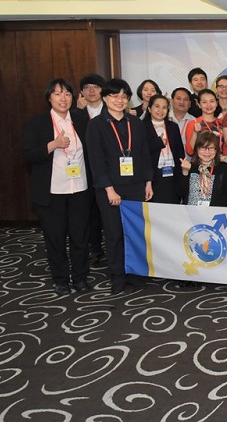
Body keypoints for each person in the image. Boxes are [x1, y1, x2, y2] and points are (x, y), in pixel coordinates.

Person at [23, 78, 93, 295]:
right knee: (55, 237)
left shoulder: (82, 120)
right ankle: (61, 279)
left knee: (80, 236)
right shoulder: (37, 123)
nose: (63, 98)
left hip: (80, 189)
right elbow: (28, 154)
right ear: (49, 98)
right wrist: (53, 145)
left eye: (67, 94)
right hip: (52, 191)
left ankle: (81, 278)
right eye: (57, 94)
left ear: (73, 97)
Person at [86, 78, 154, 294]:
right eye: (115, 96)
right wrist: (109, 189)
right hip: (111, 188)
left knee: (135, 232)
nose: (120, 100)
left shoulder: (135, 122)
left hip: (135, 185)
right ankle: (117, 276)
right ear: (105, 98)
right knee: (115, 233)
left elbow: (143, 154)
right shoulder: (96, 125)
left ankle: (134, 274)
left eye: (124, 96)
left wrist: (148, 181)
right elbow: (96, 160)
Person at [76, 73, 106, 265]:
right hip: (84, 169)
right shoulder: (75, 115)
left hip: (109, 169)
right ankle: (95, 248)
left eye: (95, 87)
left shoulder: (113, 111)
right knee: (89, 212)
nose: (92, 91)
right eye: (87, 87)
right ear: (81, 92)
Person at [143, 94, 185, 204]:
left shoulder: (172, 126)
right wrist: (158, 143)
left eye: (164, 107)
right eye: (157, 106)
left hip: (172, 175)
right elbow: (141, 152)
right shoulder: (141, 126)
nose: (160, 110)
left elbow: (179, 152)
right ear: (149, 108)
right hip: (152, 176)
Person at [178, 132, 227, 207]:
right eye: (203, 148)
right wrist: (185, 172)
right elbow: (181, 194)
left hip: (214, 214)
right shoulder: (190, 167)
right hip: (190, 213)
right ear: (197, 149)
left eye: (211, 148)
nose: (207, 152)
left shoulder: (224, 168)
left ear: (216, 150)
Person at [184, 89, 223, 157]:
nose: (209, 105)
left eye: (212, 101)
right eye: (204, 102)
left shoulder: (222, 123)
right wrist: (195, 132)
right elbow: (189, 151)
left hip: (219, 162)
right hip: (200, 164)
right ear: (199, 104)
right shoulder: (193, 124)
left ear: (217, 103)